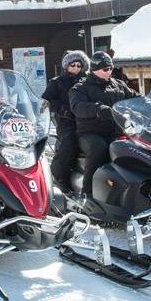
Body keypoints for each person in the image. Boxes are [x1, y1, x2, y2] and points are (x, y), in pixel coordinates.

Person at [68, 51, 138, 196]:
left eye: (111, 68)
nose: (109, 72)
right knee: (99, 148)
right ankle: (87, 193)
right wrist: (98, 109)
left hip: (117, 132)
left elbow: (136, 98)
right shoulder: (81, 88)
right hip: (91, 133)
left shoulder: (119, 85)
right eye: (105, 69)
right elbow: (77, 107)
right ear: (94, 69)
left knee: (138, 148)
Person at [41, 50, 89, 188]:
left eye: (79, 66)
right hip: (66, 120)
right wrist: (61, 109)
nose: (75, 68)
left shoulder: (86, 82)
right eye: (72, 65)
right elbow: (46, 101)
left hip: (85, 119)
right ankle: (58, 175)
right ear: (66, 65)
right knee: (69, 141)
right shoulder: (57, 82)